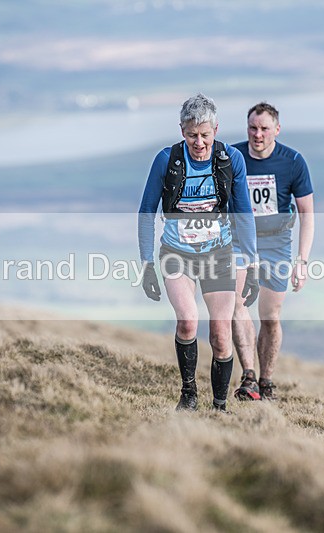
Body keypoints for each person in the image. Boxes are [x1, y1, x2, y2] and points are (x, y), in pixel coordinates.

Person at [138, 93, 259, 412]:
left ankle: (220, 406)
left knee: (220, 334)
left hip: (219, 254)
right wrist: (147, 264)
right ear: (182, 131)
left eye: (205, 135)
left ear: (216, 129)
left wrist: (252, 264)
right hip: (176, 253)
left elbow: (243, 213)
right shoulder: (167, 159)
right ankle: (189, 393)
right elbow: (147, 211)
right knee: (188, 322)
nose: (199, 142)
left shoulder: (231, 159)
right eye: (192, 135)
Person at [231, 102, 315, 401]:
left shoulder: (292, 161)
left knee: (270, 315)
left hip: (277, 243)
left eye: (265, 128)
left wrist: (302, 261)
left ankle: (266, 381)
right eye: (253, 128)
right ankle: (249, 376)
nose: (258, 134)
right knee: (237, 305)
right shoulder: (232, 156)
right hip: (239, 241)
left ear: (276, 130)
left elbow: (308, 214)